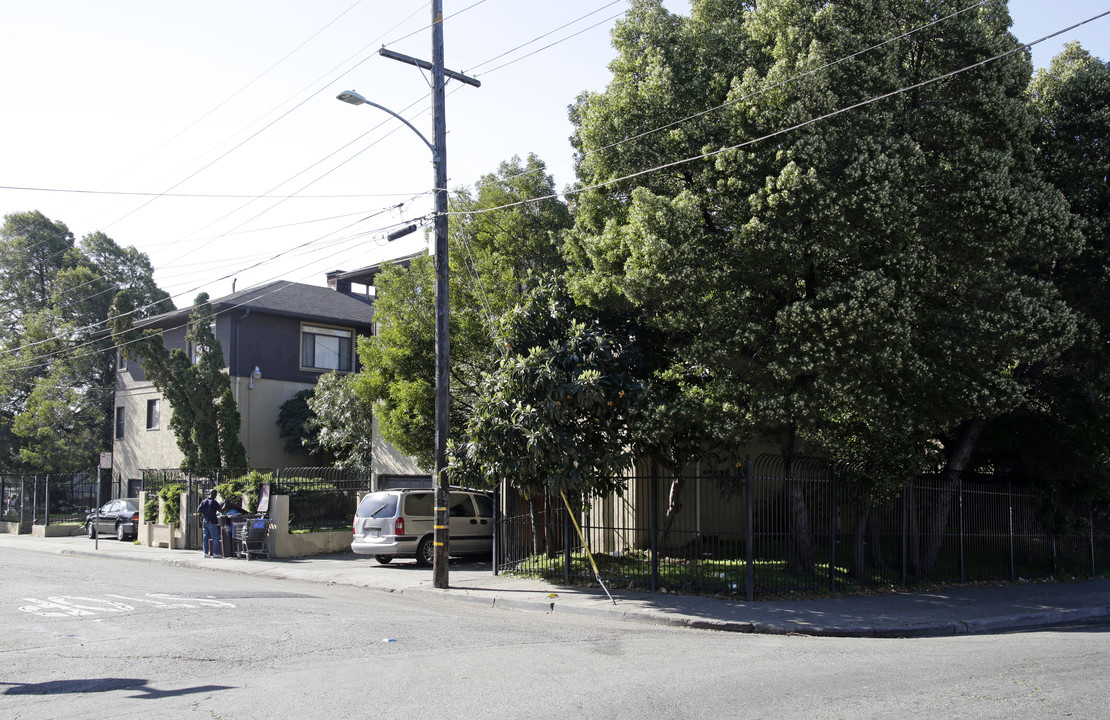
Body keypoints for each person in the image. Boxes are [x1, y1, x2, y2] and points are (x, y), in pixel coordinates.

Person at [198, 489, 221, 557]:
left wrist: (205, 512)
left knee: (205, 538)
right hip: (212, 522)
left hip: (205, 521)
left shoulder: (204, 501)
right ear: (215, 494)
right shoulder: (214, 502)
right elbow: (221, 510)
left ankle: (205, 553)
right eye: (216, 494)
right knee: (215, 538)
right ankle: (216, 553)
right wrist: (225, 504)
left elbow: (198, 510)